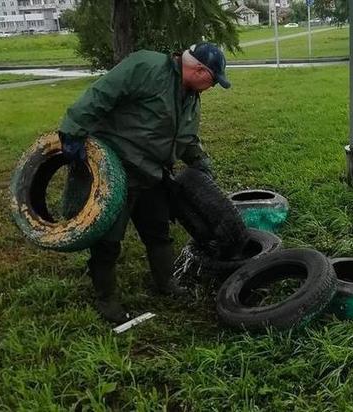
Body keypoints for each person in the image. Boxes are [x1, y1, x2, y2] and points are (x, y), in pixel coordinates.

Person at [58, 43, 231, 324]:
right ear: (199, 69)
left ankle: (166, 283)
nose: (211, 87)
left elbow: (182, 135)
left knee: (158, 230)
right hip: (117, 169)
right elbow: (101, 94)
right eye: (212, 80)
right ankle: (106, 298)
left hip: (152, 173)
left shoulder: (191, 94)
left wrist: (198, 159)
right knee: (108, 239)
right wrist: (72, 130)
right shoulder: (146, 67)